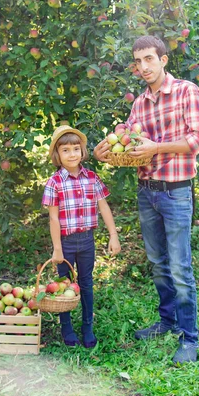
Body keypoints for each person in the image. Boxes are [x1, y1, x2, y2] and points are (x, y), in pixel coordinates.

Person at [94, 36, 199, 364]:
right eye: (138, 62)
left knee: (179, 267)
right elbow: (128, 141)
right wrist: (106, 149)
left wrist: (156, 147)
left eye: (148, 59)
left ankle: (189, 339)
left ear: (163, 60)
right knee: (159, 264)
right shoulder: (139, 104)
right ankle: (168, 322)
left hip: (176, 191)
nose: (143, 67)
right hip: (147, 192)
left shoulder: (188, 91)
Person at [42, 125, 121, 348]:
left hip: (87, 240)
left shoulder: (91, 178)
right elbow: (54, 219)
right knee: (63, 285)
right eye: (65, 150)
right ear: (57, 154)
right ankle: (66, 328)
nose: (72, 154)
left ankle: (87, 327)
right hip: (65, 243)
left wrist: (113, 235)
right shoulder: (54, 182)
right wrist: (57, 248)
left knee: (86, 283)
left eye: (76, 149)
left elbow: (104, 207)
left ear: (82, 151)